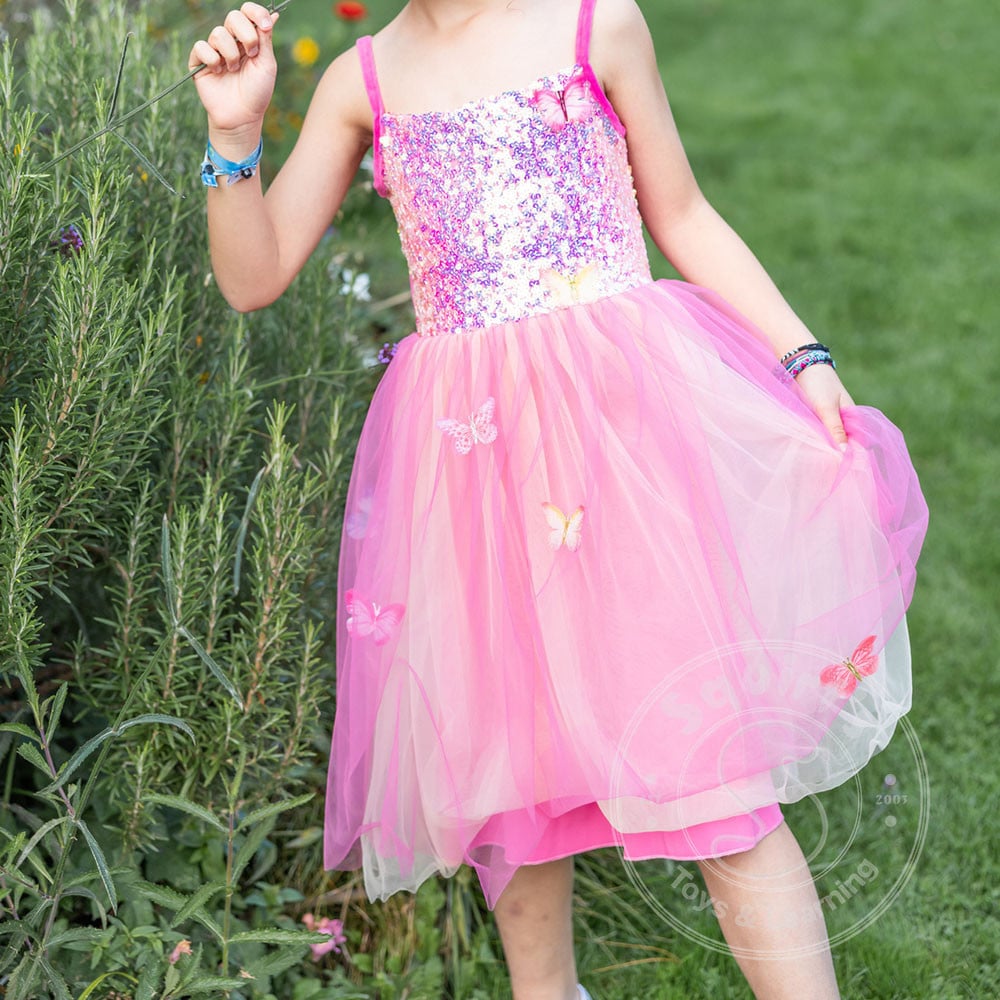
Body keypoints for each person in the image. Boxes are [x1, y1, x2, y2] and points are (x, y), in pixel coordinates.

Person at [189, 1, 927, 997]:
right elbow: (252, 275)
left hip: (622, 443)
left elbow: (682, 213)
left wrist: (802, 354)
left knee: (706, 767)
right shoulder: (362, 80)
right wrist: (234, 136)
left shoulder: (593, 23)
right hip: (472, 463)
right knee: (511, 780)